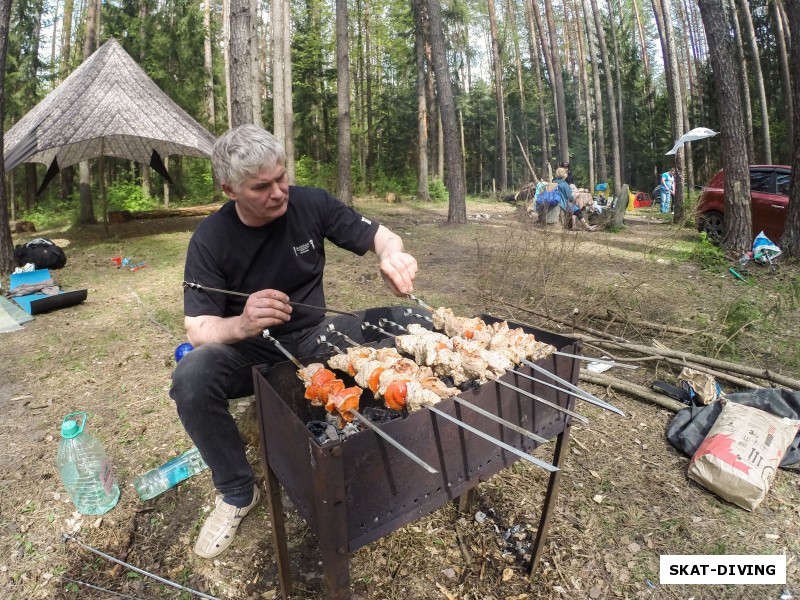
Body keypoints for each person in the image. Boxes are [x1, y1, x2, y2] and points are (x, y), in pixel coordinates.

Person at [170, 124, 418, 559]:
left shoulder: (311, 202)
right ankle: (236, 491)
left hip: (318, 335)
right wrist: (241, 325)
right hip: (250, 348)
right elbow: (198, 327)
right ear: (230, 189)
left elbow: (381, 235)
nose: (279, 192)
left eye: (282, 177)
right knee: (191, 377)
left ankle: (387, 438)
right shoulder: (210, 239)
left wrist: (392, 254)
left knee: (393, 328)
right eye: (261, 187)